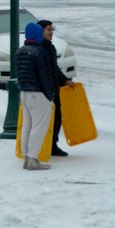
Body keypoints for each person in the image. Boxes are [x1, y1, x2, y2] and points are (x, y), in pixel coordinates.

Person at [17, 20, 58, 170]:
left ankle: (26, 157)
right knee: (39, 127)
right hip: (39, 94)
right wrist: (50, 95)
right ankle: (33, 159)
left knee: (27, 126)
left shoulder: (20, 50)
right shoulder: (40, 52)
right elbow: (44, 76)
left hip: (25, 93)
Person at [38, 19, 72, 156]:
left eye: (52, 29)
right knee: (43, 121)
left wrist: (65, 80)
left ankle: (52, 145)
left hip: (53, 89)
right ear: (40, 31)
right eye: (48, 29)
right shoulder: (38, 48)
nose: (51, 32)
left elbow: (54, 68)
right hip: (43, 91)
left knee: (57, 118)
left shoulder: (50, 47)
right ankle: (41, 146)